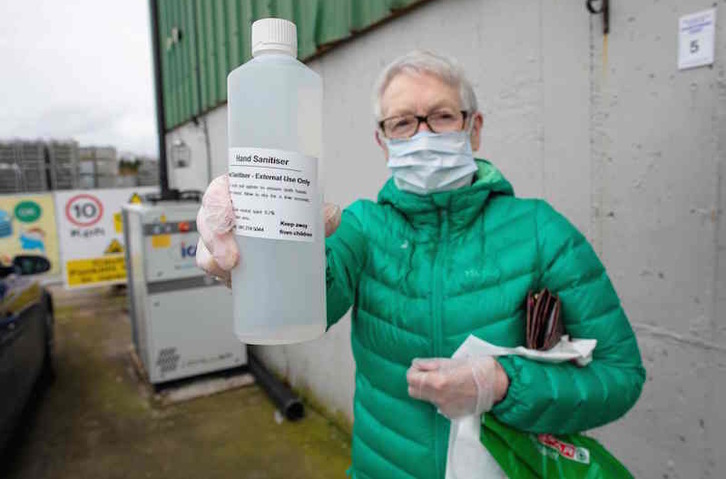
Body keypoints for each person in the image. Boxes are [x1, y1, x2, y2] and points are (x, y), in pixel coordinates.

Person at [196, 51, 645, 478]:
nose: (424, 134)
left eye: (443, 116)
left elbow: (619, 375)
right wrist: (250, 248)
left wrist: (505, 384)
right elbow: (307, 296)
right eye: (403, 122)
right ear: (382, 139)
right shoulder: (362, 229)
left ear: (474, 128)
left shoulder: (541, 232)